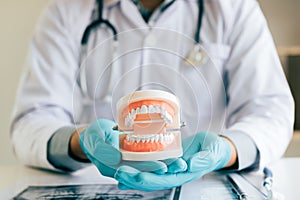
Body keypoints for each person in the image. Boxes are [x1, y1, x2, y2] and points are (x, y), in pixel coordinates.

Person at [11, 0, 294, 191]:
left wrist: (226, 149)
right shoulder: (68, 9)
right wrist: (78, 143)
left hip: (204, 186)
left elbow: (271, 110)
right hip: (97, 185)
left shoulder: (233, 7)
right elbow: (32, 120)